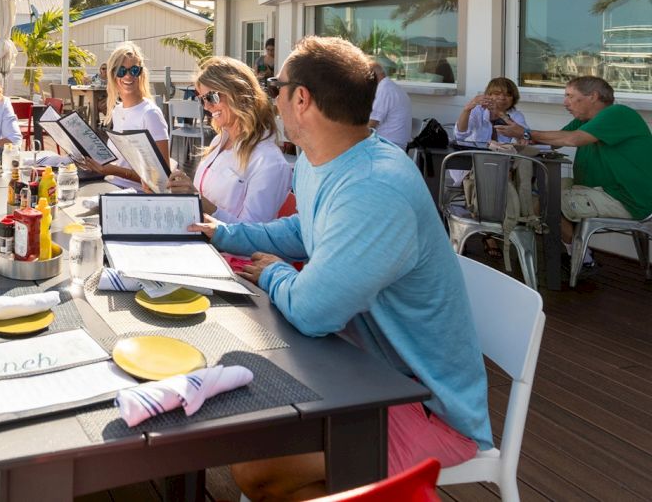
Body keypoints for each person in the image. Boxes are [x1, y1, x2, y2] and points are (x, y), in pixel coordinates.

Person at [189, 36, 490, 496]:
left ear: (301, 98)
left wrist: (274, 273)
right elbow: (303, 230)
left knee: (256, 470)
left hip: (423, 402)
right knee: (237, 418)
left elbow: (313, 313)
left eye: (276, 85)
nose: (271, 95)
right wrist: (226, 234)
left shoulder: (374, 188)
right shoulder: (320, 160)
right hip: (355, 367)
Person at [496, 75, 652, 270]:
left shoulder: (618, 113)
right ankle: (569, 251)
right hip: (597, 189)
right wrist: (512, 127)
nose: (565, 103)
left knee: (548, 202)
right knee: (538, 198)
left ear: (593, 96)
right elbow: (554, 141)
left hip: (625, 198)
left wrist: (527, 134)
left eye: (570, 96)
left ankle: (583, 260)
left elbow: (573, 140)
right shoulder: (584, 120)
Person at [166, 56, 291, 223]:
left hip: (223, 249)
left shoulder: (269, 161)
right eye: (202, 99)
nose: (207, 107)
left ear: (238, 94)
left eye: (212, 97)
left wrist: (198, 201)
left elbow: (253, 234)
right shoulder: (218, 141)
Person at [78, 43, 170, 187]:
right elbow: (123, 163)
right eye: (121, 70)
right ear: (113, 75)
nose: (128, 76)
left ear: (141, 73)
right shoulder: (118, 110)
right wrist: (98, 165)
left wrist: (113, 170)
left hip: (136, 194)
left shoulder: (150, 114)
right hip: (113, 185)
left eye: (134, 70)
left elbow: (162, 180)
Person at [454, 77, 526, 145]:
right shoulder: (478, 110)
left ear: (513, 98)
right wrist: (466, 110)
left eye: (507, 95)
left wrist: (501, 114)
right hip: (474, 153)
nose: (502, 98)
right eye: (497, 94)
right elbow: (460, 135)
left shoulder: (516, 115)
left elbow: (524, 137)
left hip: (502, 155)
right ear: (488, 95)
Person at [368, 59, 412, 148]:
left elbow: (372, 124)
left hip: (389, 144)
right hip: (396, 143)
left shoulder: (384, 89)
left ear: (371, 76)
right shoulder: (390, 86)